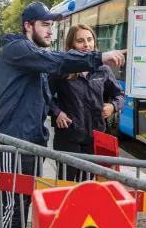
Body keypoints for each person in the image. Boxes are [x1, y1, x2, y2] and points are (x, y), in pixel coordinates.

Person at [0, 2, 126, 228]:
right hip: (13, 141)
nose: (49, 30)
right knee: (14, 208)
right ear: (28, 26)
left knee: (23, 204)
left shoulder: (34, 57)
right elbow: (57, 61)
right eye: (44, 25)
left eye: (51, 25)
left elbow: (45, 95)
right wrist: (98, 56)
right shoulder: (19, 49)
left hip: (31, 141)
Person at [48, 24, 125, 182]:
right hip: (68, 139)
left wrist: (113, 106)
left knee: (89, 187)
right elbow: (44, 95)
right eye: (80, 41)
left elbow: (120, 95)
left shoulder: (103, 70)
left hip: (94, 139)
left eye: (89, 40)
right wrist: (57, 112)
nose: (86, 44)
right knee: (66, 187)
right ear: (71, 45)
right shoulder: (61, 70)